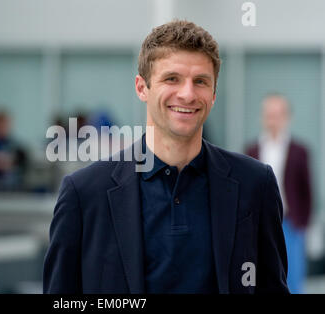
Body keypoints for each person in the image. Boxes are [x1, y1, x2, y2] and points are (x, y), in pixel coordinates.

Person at [43, 20, 289, 294]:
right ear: (141, 87)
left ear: (214, 93)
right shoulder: (85, 193)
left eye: (200, 82)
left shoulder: (256, 184)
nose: (187, 93)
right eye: (172, 79)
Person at [245, 94, 312, 294]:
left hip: (291, 223)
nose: (273, 119)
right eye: (269, 114)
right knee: (262, 274)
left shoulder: (300, 151)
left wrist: (303, 223)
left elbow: (306, 190)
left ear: (287, 117)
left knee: (293, 276)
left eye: (278, 114)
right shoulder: (252, 150)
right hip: (260, 222)